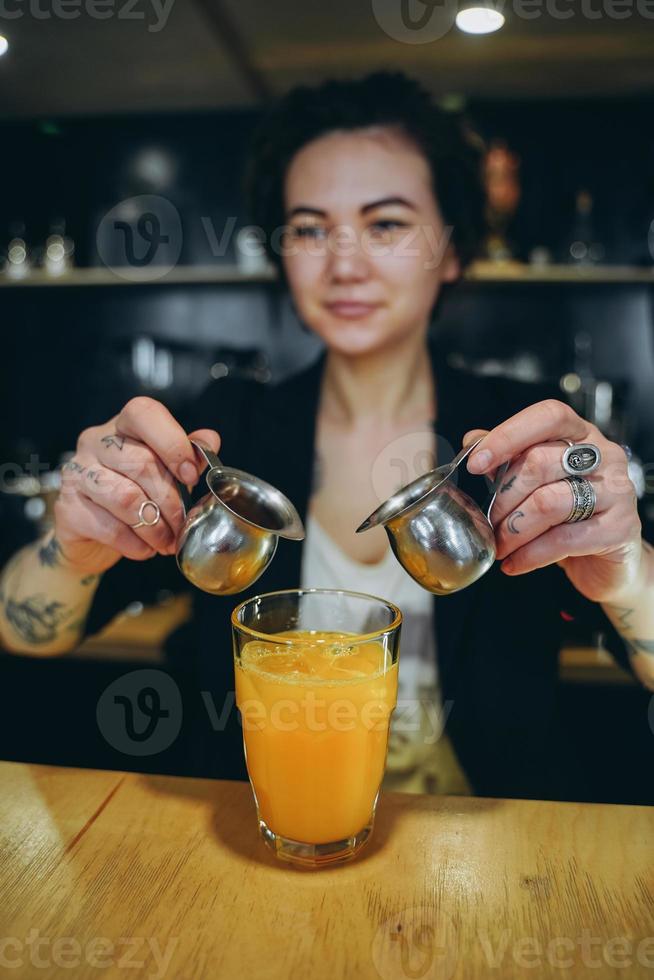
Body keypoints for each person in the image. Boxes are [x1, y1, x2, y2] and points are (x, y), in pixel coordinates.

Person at [1, 73, 652, 799]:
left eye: (386, 224)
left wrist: (624, 565)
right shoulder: (226, 433)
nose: (344, 262)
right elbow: (28, 633)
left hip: (489, 857)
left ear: (455, 250)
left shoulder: (518, 439)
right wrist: (76, 546)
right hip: (266, 833)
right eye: (310, 228)